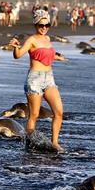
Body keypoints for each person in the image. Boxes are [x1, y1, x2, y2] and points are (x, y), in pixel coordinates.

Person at [8, 10, 64, 153]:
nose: (44, 27)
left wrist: (56, 57)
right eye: (41, 25)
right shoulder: (31, 40)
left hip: (49, 78)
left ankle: (55, 143)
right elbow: (18, 55)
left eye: (47, 25)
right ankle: (29, 143)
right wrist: (15, 47)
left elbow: (45, 56)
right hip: (35, 79)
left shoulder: (48, 39)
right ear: (36, 24)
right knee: (34, 115)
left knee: (59, 112)